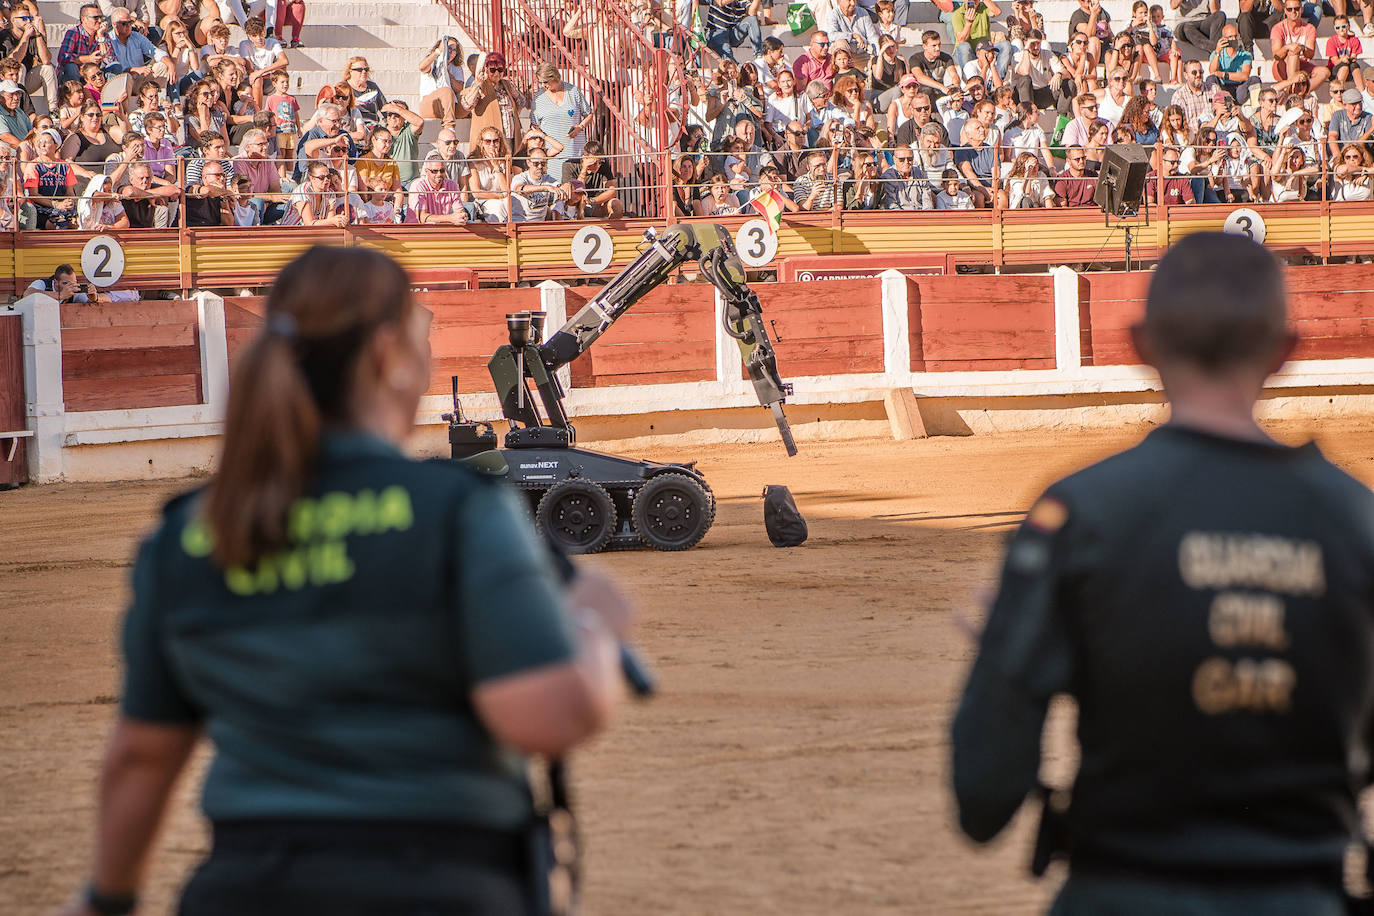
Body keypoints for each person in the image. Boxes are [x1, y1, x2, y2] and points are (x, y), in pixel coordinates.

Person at [54, 244, 634, 916]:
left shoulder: (187, 533)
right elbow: (547, 714)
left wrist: (106, 898)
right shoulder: (458, 509)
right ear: (389, 356)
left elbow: (142, 755)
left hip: (249, 888)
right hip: (442, 884)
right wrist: (595, 623)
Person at [952, 231, 1374, 916]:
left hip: (1121, 893)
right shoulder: (1357, 523)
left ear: (1142, 346)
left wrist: (1009, 655)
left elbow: (983, 797)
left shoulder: (1077, 516)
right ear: (1285, 353)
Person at [2, 1, 57, 115]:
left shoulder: (32, 35)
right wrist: (25, 36)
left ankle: (53, 111)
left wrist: (38, 35)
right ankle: (21, 110)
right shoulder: (6, 35)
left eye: (29, 18)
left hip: (26, 79)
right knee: (20, 67)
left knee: (48, 68)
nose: (28, 21)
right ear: (13, 20)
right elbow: (12, 62)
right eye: (24, 18)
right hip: (6, 81)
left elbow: (46, 60)